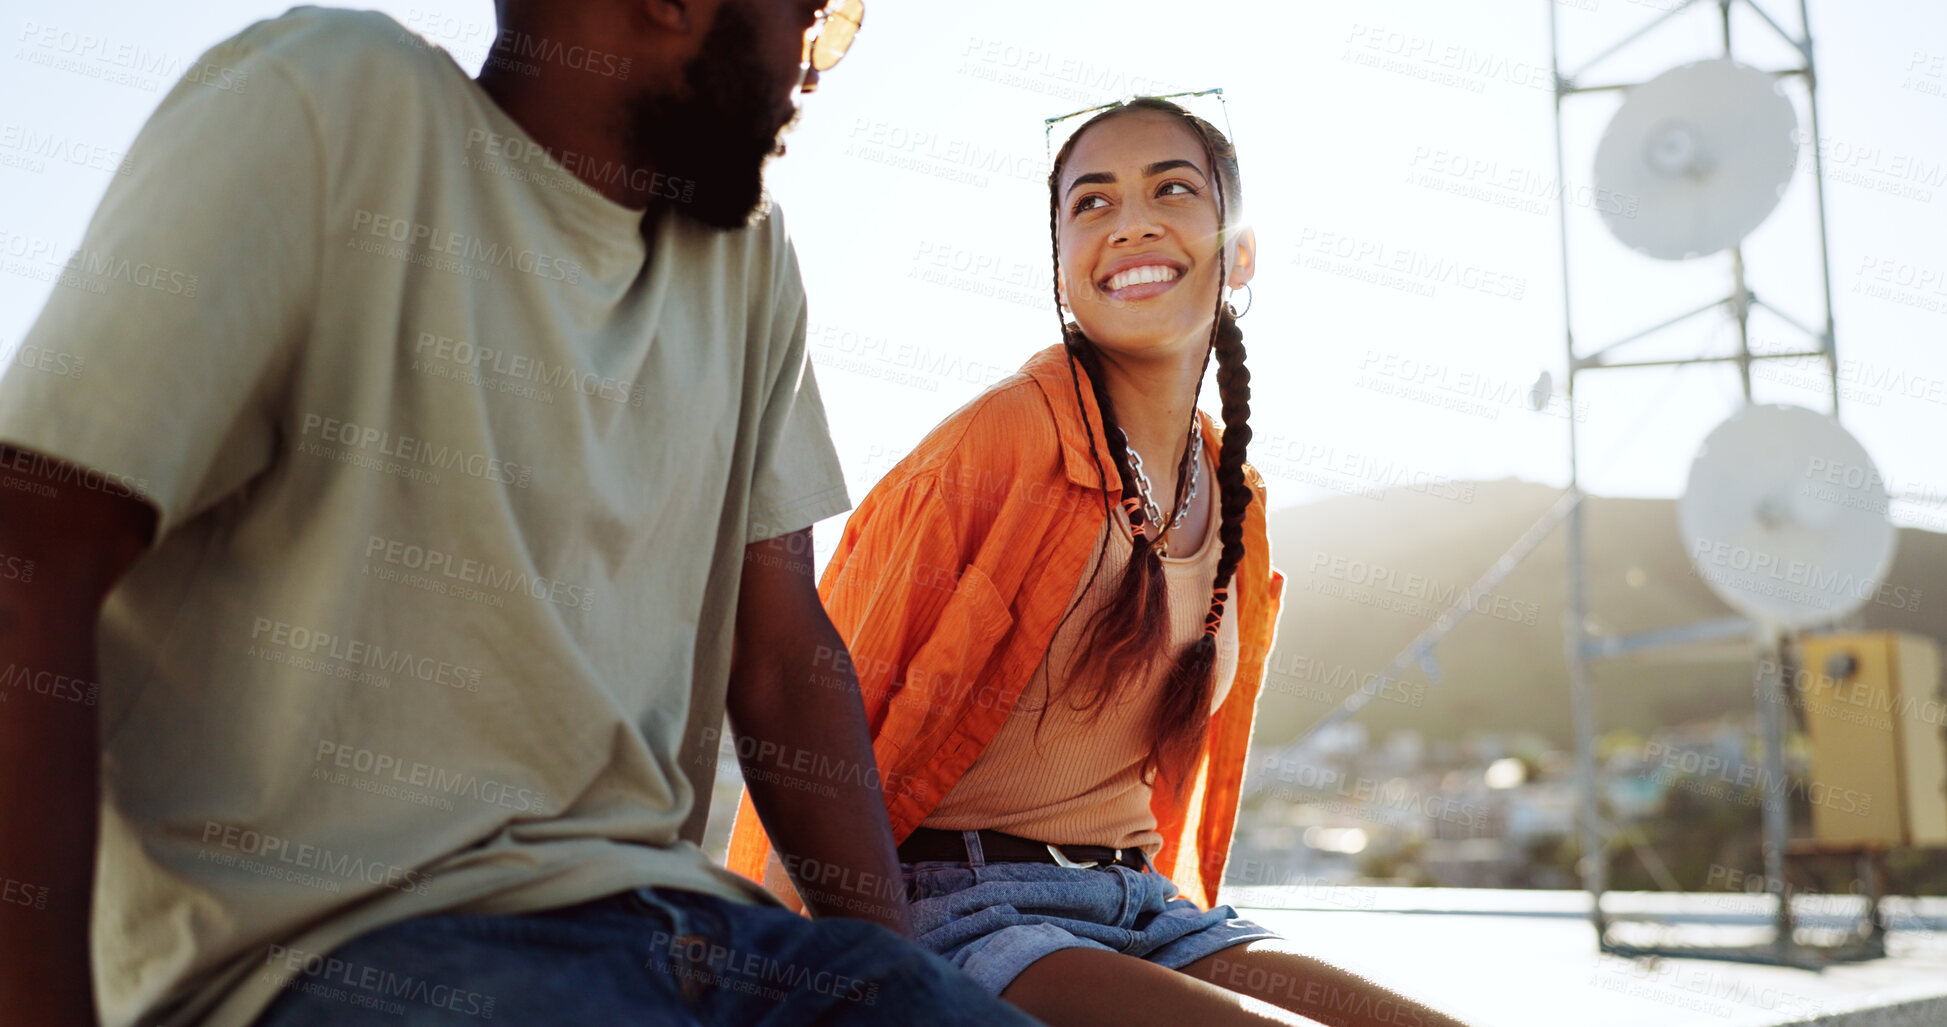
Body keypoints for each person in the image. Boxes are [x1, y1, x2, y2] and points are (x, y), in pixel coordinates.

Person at [0, 2, 1047, 1025]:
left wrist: (899, 981)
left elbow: (777, 652)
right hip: (338, 949)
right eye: (811, 15)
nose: (816, 64)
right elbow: (34, 545)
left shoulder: (749, 261)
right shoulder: (330, 99)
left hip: (684, 931)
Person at [730, 97, 1476, 1027]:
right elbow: (813, 707)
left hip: (1145, 908)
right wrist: (844, 975)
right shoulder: (998, 442)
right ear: (1060, 262)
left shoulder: (1236, 495)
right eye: (1091, 203)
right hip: (956, 907)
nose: (1129, 223)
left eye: (1172, 188)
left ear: (1237, 251)